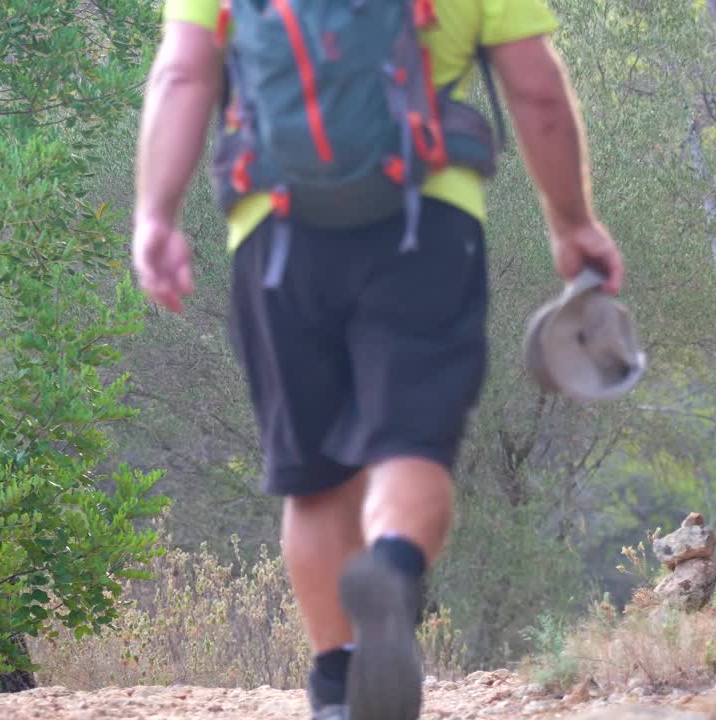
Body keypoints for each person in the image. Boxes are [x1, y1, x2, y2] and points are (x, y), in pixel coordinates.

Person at [130, 0, 625, 717]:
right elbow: (537, 89)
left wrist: (156, 215)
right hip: (427, 225)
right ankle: (391, 568)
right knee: (409, 446)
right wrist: (573, 223)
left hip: (275, 233)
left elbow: (182, 75)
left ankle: (336, 684)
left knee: (313, 478)